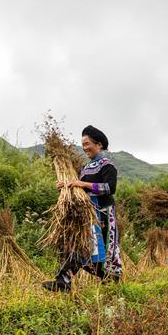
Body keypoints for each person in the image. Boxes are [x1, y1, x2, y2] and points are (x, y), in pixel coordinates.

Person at [42, 125, 122, 291]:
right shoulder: (86, 168)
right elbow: (80, 188)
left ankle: (110, 278)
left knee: (100, 251)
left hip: (102, 214)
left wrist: (82, 183)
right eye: (83, 144)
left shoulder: (108, 165)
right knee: (82, 246)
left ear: (99, 144)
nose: (85, 148)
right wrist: (66, 186)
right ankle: (64, 281)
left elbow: (110, 188)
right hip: (87, 214)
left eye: (87, 144)